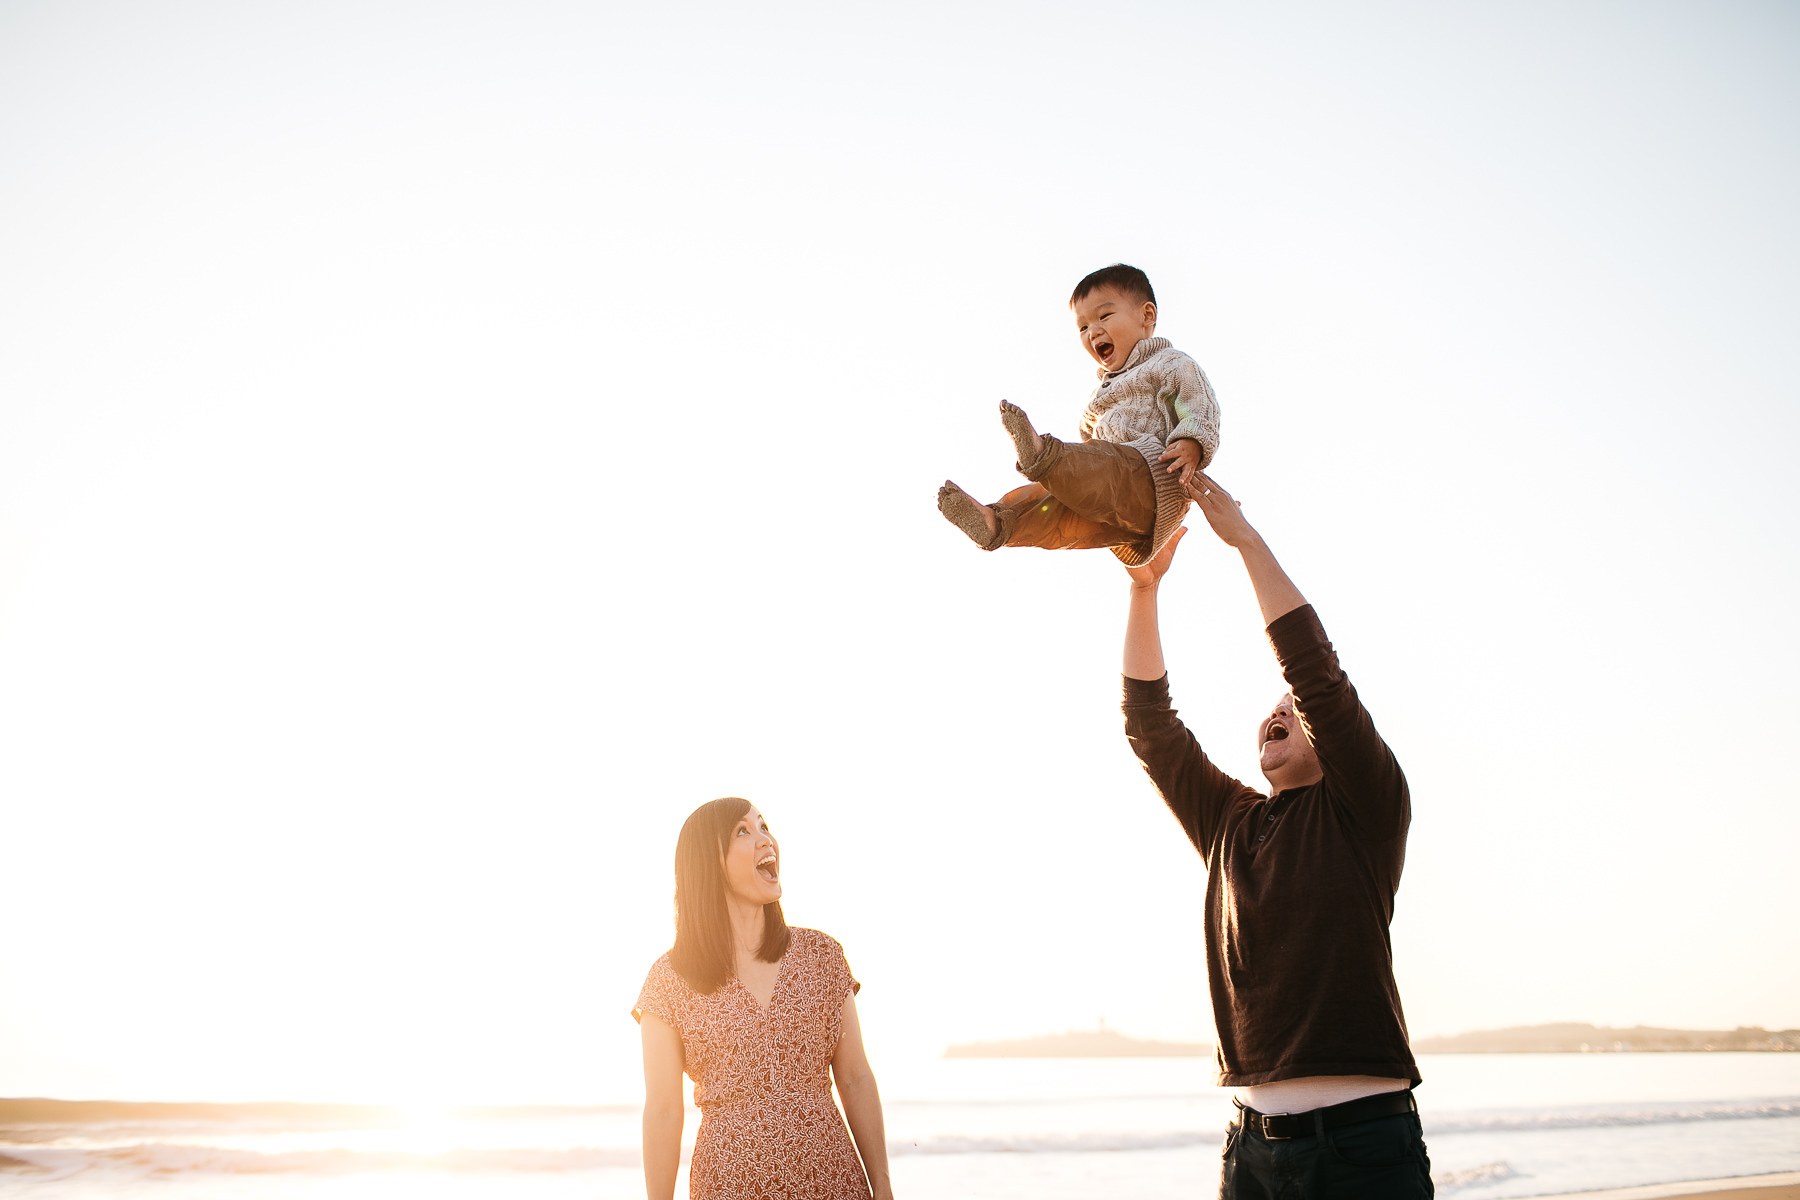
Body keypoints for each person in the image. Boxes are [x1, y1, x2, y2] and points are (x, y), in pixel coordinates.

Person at [1119, 475, 1433, 1198]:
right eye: (1271, 708)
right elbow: (1151, 730)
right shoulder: (1230, 822)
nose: (1279, 711)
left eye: (1294, 710)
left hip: (1363, 1145)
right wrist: (1144, 592)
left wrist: (1246, 542)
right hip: (1252, 1152)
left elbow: (1316, 677)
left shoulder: (1368, 809)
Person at [635, 797, 894, 1200]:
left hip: (831, 1180)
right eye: (743, 831)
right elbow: (664, 1111)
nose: (764, 839)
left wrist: (883, 1187)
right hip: (728, 1186)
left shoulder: (821, 956)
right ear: (708, 862)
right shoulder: (669, 980)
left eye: (763, 826)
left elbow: (855, 1076)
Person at [936, 262, 1221, 566]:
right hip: (1113, 512)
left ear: (1146, 316)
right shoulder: (1097, 398)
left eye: (1105, 316)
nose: (1093, 331)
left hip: (1151, 474)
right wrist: (1070, 478)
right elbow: (1087, 448)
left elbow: (1197, 403)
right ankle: (998, 524)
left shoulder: (1169, 363)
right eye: (1083, 327)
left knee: (1096, 465)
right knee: (1056, 512)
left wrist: (1192, 442)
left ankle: (1044, 456)